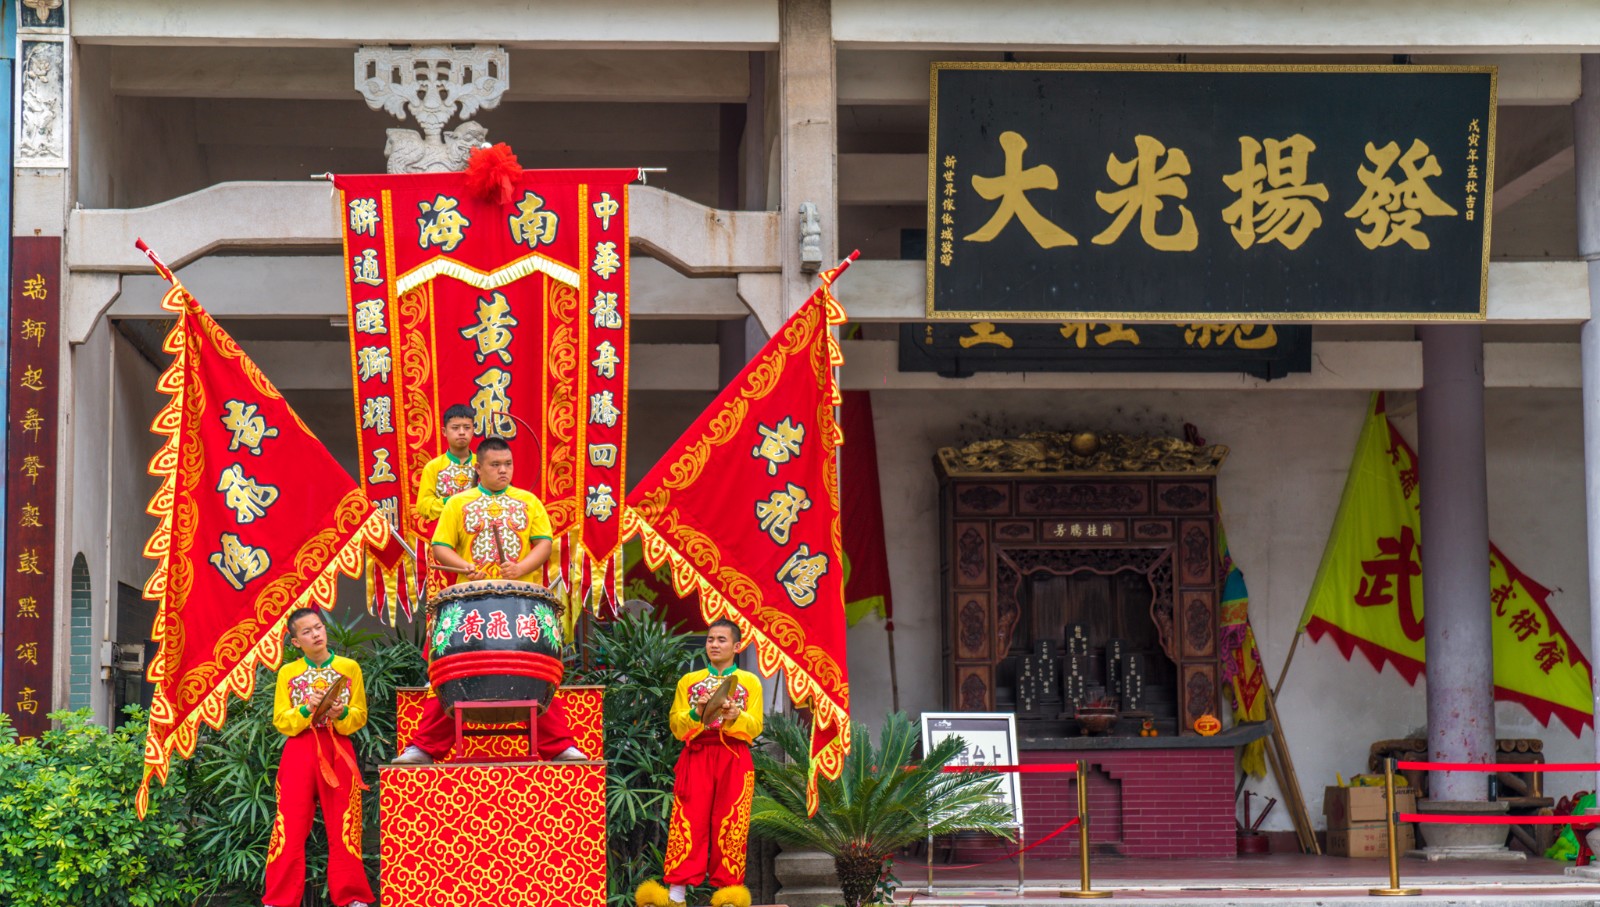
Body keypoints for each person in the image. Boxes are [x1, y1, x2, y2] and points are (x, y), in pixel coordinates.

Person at [393, 436, 587, 764]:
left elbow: (543, 544)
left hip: (520, 605)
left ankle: (559, 746)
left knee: (535, 672)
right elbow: (440, 546)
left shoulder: (529, 501)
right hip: (472, 607)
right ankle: (424, 747)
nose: (503, 471)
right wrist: (462, 565)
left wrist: (520, 568)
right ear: (478, 468)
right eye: (495, 465)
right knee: (453, 676)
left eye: (508, 464)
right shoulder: (458, 503)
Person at [637, 619, 763, 907]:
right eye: (710, 639)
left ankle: (728, 894)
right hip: (697, 755)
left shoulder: (750, 682)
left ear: (736, 646)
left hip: (734, 756)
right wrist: (696, 712)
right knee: (688, 820)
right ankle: (676, 894)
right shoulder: (689, 682)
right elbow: (676, 726)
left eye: (721, 640)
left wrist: (733, 715)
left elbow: (755, 726)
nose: (714, 645)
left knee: (731, 823)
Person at [265, 607, 374, 907]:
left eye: (319, 627)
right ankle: (278, 900)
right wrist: (305, 710)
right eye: (307, 631)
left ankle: (353, 897)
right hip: (300, 750)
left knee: (345, 824)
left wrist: (342, 713)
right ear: (296, 641)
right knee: (289, 826)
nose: (316, 634)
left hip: (338, 748)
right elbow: (280, 720)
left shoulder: (349, 667)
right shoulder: (289, 672)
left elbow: (360, 715)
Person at [415, 404, 478, 528]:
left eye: (466, 427)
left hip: (477, 528)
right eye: (455, 428)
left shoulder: (482, 463)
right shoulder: (433, 466)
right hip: (445, 530)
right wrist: (450, 501)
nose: (461, 432)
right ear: (444, 431)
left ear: (473, 430)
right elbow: (423, 506)